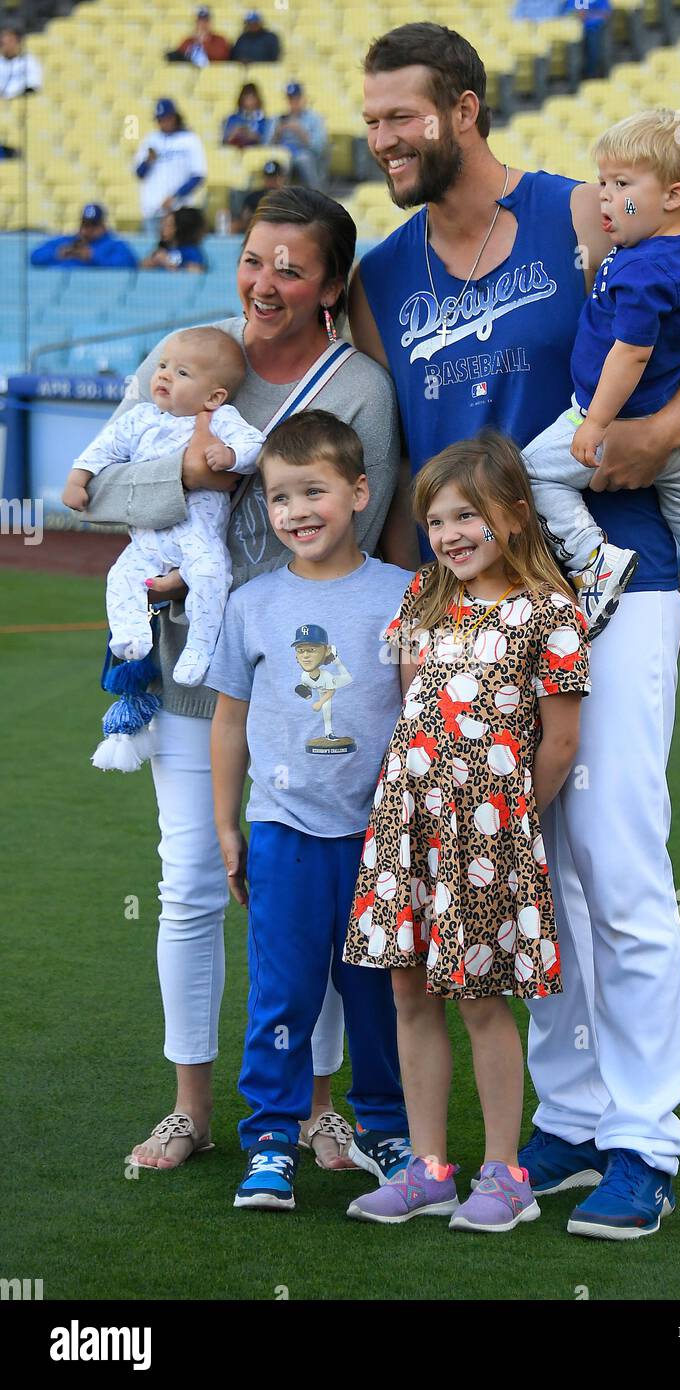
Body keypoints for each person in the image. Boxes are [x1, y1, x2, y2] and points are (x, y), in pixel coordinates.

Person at [350, 22, 680, 1238]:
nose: (382, 139)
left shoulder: (579, 206)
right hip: (475, 617)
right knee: (532, 867)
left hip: (612, 579)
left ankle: (645, 1135)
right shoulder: (383, 271)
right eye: (371, 119)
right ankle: (575, 1115)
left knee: (617, 858)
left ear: (464, 112)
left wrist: (650, 434)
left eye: (401, 117)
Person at [80, 188, 403, 1176]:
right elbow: (100, 499)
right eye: (256, 259)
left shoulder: (358, 389)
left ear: (330, 286)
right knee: (186, 884)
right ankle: (191, 1108)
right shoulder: (191, 348)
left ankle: (314, 1108)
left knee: (301, 895)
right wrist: (194, 475)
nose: (266, 284)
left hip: (303, 680)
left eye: (292, 269)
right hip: (182, 666)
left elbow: (351, 527)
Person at [344, 432, 590, 1232]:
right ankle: (427, 1169)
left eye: (466, 516)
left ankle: (503, 1172)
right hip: (407, 825)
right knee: (408, 990)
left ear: (515, 518)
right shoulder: (422, 595)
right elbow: (412, 703)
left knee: (480, 998)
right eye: (435, 519)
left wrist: (508, 818)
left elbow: (559, 741)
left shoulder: (551, 613)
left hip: (487, 840)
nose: (448, 534)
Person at [208, 411, 411, 1210]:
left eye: (313, 491)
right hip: (283, 831)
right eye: (279, 495)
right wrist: (229, 823)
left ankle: (390, 1128)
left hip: (379, 837)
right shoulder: (253, 604)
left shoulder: (404, 593)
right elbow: (229, 723)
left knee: (381, 992)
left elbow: (417, 708)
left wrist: (417, 827)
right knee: (283, 993)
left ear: (358, 492)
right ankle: (270, 1139)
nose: (296, 510)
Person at [523, 109, 680, 669]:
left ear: (673, 195)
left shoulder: (643, 271)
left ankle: (596, 561)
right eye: (603, 182)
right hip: (679, 418)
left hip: (620, 418)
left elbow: (631, 352)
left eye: (621, 185)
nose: (603, 198)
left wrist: (595, 422)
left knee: (533, 472)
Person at [63, 329, 265, 693]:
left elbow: (255, 445)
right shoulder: (138, 419)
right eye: (163, 366)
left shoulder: (219, 418)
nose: (165, 375)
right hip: (147, 537)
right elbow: (102, 449)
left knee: (210, 574)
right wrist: (78, 479)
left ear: (214, 396)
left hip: (196, 534)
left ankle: (201, 646)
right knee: (121, 575)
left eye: (182, 373)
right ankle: (131, 637)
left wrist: (231, 455)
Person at [133, 98, 207, 244]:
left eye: (166, 118)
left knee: (179, 250)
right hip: (152, 210)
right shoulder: (151, 139)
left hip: (179, 212)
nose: (163, 123)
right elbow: (139, 173)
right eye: (160, 119)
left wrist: (175, 196)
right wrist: (148, 161)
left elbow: (198, 175)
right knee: (154, 252)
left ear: (174, 117)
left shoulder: (189, 139)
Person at [30, 203, 137, 269]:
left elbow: (128, 265)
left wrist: (92, 256)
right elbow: (35, 257)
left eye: (93, 225)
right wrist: (57, 253)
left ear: (103, 225)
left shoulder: (115, 244)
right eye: (85, 224)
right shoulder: (68, 240)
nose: (88, 229)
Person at [272, 83, 329, 189]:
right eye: (290, 99)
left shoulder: (314, 118)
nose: (293, 102)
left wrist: (300, 132)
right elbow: (266, 145)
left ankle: (316, 196)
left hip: (305, 152)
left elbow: (320, 148)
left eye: (296, 99)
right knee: (279, 160)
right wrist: (277, 133)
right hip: (282, 152)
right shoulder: (279, 118)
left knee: (303, 159)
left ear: (303, 99)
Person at [139, 207, 208, 273]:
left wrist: (168, 262)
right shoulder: (161, 250)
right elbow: (141, 267)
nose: (162, 229)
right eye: (162, 224)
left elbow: (197, 271)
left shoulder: (190, 251)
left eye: (168, 226)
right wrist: (153, 262)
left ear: (179, 228)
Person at [233, 159, 286, 235]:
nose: (271, 181)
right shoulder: (252, 198)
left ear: (282, 178)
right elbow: (240, 223)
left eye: (274, 178)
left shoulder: (289, 198)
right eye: (268, 178)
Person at [166, 7, 231, 64]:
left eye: (205, 21)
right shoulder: (188, 41)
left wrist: (204, 43)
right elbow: (178, 57)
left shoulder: (219, 40)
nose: (202, 25)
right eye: (199, 21)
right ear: (195, 23)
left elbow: (222, 57)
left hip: (214, 75)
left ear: (210, 23)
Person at [0, 22, 42, 99]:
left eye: (10, 40)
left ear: (18, 42)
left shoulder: (29, 60)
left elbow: (33, 85)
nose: (6, 45)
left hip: (22, 100)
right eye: (3, 43)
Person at [222, 83, 270, 148]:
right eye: (246, 97)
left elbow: (267, 142)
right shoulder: (232, 118)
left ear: (257, 99)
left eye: (252, 97)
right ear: (241, 99)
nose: (249, 101)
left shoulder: (263, 120)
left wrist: (249, 134)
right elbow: (224, 142)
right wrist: (234, 133)